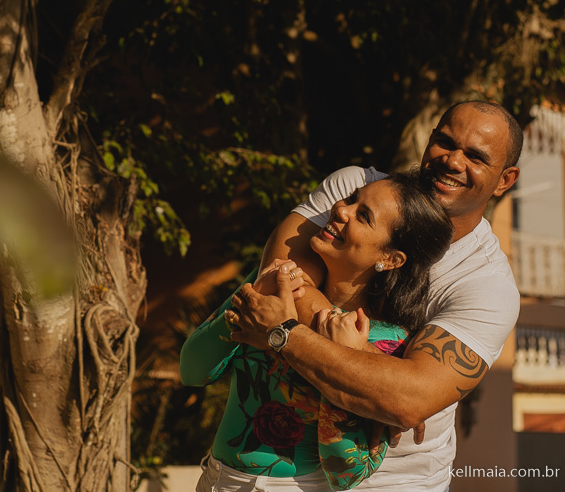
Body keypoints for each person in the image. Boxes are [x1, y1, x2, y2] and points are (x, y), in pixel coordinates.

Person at [227, 100, 522, 491]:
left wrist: (282, 333)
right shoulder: (355, 189)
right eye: (445, 142)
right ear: (429, 139)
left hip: (394, 480)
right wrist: (376, 371)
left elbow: (406, 401)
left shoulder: (487, 283)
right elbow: (278, 277)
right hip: (276, 471)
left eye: (476, 157)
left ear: (505, 180)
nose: (452, 161)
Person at [180, 171, 454, 491]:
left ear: (390, 259)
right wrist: (246, 308)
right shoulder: (278, 281)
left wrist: (346, 358)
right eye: (352, 198)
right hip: (214, 480)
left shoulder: (386, 344)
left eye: (362, 216)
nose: (341, 209)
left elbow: (346, 474)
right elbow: (191, 370)